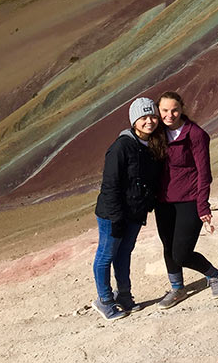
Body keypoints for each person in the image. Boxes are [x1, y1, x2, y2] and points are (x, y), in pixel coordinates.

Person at [92, 97, 166, 320]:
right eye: (143, 117)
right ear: (134, 120)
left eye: (152, 116)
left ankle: (124, 297)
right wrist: (116, 218)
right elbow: (110, 185)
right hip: (113, 214)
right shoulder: (121, 147)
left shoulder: (152, 144)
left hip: (135, 212)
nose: (149, 121)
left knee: (124, 254)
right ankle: (104, 300)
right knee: (106, 255)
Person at [155, 91, 218, 309]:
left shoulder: (195, 134)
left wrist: (202, 205)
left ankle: (214, 274)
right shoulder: (157, 134)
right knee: (168, 247)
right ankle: (177, 289)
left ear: (182, 109)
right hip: (163, 201)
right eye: (165, 110)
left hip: (189, 199)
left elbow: (204, 173)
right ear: (159, 111)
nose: (170, 115)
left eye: (174, 109)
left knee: (181, 252)